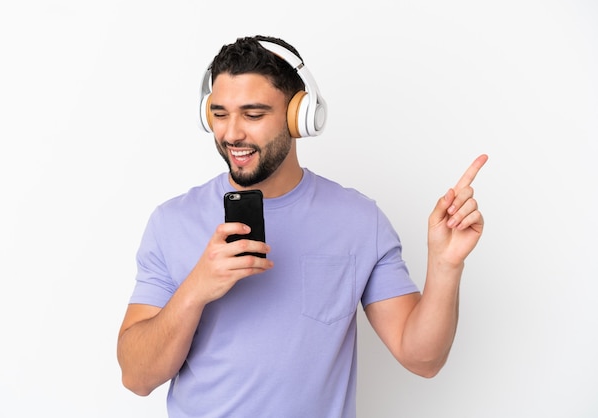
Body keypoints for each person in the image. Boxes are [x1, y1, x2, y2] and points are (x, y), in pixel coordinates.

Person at [117, 35, 488, 417]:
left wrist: (445, 265)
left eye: (253, 114)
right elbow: (136, 377)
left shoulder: (359, 220)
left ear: (300, 116)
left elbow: (422, 359)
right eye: (220, 113)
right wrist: (195, 289)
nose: (231, 134)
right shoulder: (171, 222)